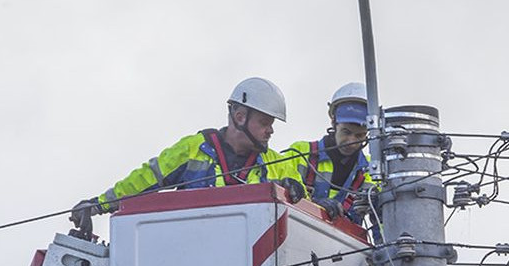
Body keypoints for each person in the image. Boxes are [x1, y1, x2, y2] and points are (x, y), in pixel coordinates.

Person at [70, 77, 305, 229]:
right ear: (240, 116)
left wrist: (296, 190)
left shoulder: (277, 162)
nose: (270, 130)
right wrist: (98, 205)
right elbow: (145, 180)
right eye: (265, 122)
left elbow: (305, 201)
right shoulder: (194, 148)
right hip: (193, 254)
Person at [283, 82, 375, 226]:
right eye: (346, 132)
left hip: (349, 247)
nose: (351, 141)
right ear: (333, 121)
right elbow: (277, 197)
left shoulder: (371, 171)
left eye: (359, 136)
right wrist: (314, 205)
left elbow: (382, 222)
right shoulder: (300, 154)